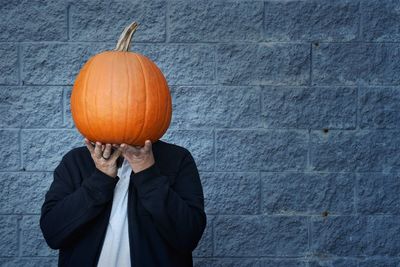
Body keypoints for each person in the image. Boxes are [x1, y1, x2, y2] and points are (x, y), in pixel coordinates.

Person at [40, 137, 207, 267]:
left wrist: (147, 173)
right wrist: (101, 178)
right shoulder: (75, 161)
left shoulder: (177, 158)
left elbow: (188, 236)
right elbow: (53, 233)